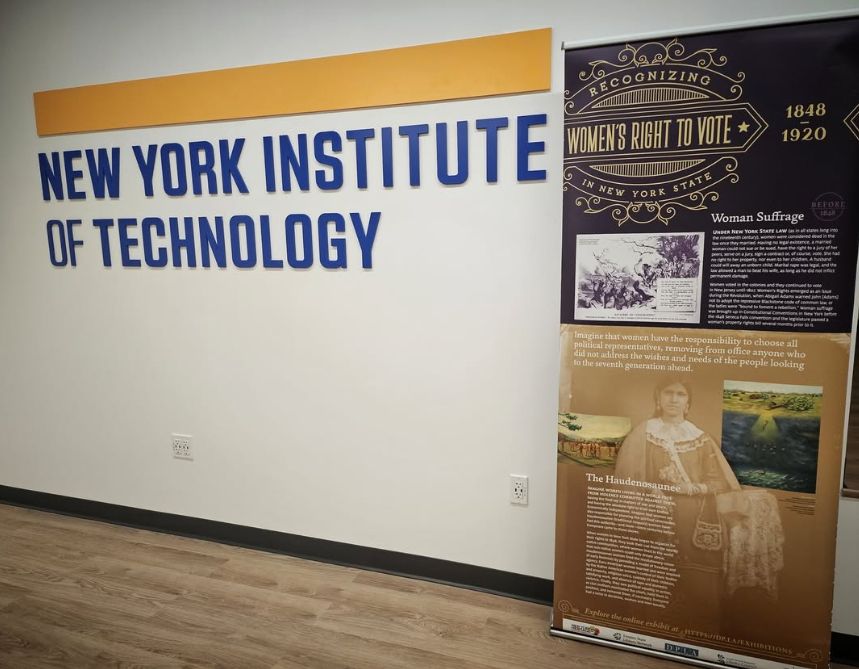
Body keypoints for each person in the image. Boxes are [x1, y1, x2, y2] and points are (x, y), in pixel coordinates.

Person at [613, 377, 784, 624]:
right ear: (658, 400)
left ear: (688, 403)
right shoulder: (643, 434)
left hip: (697, 515)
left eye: (680, 394)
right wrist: (651, 492)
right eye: (668, 393)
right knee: (654, 576)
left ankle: (696, 632)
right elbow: (627, 478)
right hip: (655, 514)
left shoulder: (701, 438)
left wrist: (694, 487)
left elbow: (719, 481)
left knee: (697, 581)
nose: (673, 398)